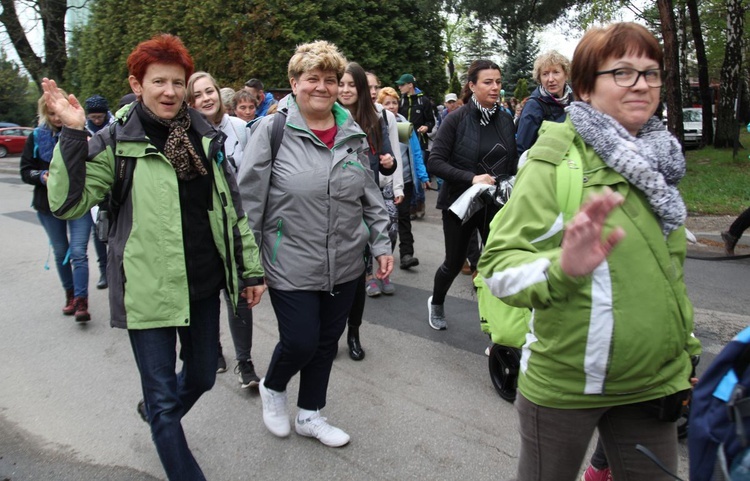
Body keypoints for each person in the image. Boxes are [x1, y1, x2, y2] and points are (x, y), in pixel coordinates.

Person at [478, 23, 701, 481]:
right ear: (584, 87)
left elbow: (668, 277)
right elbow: (497, 270)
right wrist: (563, 266)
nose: (641, 83)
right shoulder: (554, 162)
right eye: (622, 72)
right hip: (566, 384)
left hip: (652, 381)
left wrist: (686, 353)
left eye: (651, 72)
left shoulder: (660, 166)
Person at [44, 34, 265, 480]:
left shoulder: (206, 138)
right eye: (158, 81)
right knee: (165, 402)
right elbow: (67, 204)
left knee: (202, 375)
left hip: (202, 283)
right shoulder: (115, 142)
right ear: (137, 83)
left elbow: (231, 210)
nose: (170, 91)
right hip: (147, 291)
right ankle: (167, 429)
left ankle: (157, 413)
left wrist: (249, 270)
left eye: (177, 82)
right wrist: (71, 132)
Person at [237, 40, 393, 447]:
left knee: (326, 342)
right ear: (294, 83)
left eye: (331, 79)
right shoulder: (271, 130)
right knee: (301, 341)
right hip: (289, 261)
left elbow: (370, 197)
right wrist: (249, 267)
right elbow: (250, 203)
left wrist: (381, 245)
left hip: (344, 261)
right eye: (312, 79)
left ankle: (310, 414)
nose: (322, 87)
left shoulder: (352, 134)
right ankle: (273, 387)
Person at [425, 59, 517, 331]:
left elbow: (510, 161)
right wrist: (472, 177)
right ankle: (437, 302)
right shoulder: (456, 118)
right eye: (487, 82)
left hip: (495, 204)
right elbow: (436, 162)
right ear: (472, 86)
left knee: (500, 260)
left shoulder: (505, 118)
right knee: (453, 264)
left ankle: (499, 317)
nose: (495, 87)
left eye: (498, 82)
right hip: (460, 204)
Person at [187, 71, 260, 385]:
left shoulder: (241, 128)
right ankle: (214, 348)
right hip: (204, 229)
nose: (206, 98)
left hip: (236, 224)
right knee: (208, 296)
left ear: (219, 94)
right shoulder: (186, 133)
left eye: (210, 91)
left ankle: (245, 362)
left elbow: (255, 172)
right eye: (198, 95)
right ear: (190, 103)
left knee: (239, 295)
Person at [338, 63, 398, 360]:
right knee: (332, 274)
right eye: (342, 84)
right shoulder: (324, 117)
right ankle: (332, 331)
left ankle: (353, 333)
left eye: (352, 85)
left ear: (362, 89)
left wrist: (388, 162)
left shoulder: (375, 119)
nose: (346, 90)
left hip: (365, 204)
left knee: (357, 275)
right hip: (333, 206)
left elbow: (389, 159)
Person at [20, 92, 93, 322]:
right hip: (48, 206)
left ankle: (82, 300)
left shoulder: (82, 132)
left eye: (58, 112)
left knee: (79, 252)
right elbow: (25, 170)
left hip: (78, 201)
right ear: (45, 113)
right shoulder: (35, 137)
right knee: (62, 252)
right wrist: (42, 176)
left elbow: (97, 162)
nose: (57, 117)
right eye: (51, 113)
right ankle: (70, 294)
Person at [377, 86, 430, 271]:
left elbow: (415, 152)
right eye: (387, 103)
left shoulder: (405, 125)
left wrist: (423, 176)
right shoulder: (376, 123)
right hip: (383, 181)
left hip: (405, 179)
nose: (391, 106)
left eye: (394, 102)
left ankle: (407, 254)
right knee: (384, 221)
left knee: (404, 218)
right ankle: (382, 255)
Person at [516, 50, 573, 156]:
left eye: (556, 72)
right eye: (545, 74)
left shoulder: (575, 101)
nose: (550, 79)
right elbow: (522, 149)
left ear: (566, 75)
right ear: (539, 78)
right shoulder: (534, 106)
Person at [84, 94, 115, 290]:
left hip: (113, 184)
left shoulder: (115, 125)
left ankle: (116, 269)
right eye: (93, 117)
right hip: (94, 186)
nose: (97, 120)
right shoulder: (81, 128)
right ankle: (104, 271)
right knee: (99, 230)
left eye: (100, 117)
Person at [397, 73, 436, 219]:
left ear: (410, 85)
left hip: (420, 142)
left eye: (402, 84)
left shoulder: (423, 101)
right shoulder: (400, 101)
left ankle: (420, 202)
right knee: (408, 175)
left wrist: (426, 127)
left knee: (419, 175)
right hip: (402, 143)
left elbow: (431, 122)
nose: (399, 87)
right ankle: (411, 206)